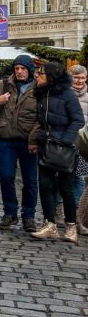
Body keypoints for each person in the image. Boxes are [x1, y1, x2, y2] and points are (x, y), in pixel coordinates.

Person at [29, 61, 82, 243]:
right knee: (45, 186)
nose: (38, 76)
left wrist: (65, 141)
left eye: (41, 73)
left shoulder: (68, 94)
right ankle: (49, 224)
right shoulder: (43, 93)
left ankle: (71, 226)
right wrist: (38, 139)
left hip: (65, 149)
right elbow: (41, 121)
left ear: (51, 76)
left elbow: (78, 120)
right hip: (46, 147)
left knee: (66, 188)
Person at [0, 54, 38, 233]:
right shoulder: (3, 85)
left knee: (30, 181)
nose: (19, 72)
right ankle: (10, 212)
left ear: (30, 70)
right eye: (17, 68)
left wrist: (36, 138)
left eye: (23, 68)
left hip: (28, 141)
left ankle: (29, 216)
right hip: (6, 138)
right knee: (6, 177)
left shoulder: (38, 87)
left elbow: (42, 114)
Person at [70, 64, 88, 235]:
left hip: (83, 145)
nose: (79, 81)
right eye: (76, 77)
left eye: (82, 78)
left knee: (80, 179)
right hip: (66, 144)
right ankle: (61, 212)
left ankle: (78, 215)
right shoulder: (65, 94)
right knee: (64, 178)